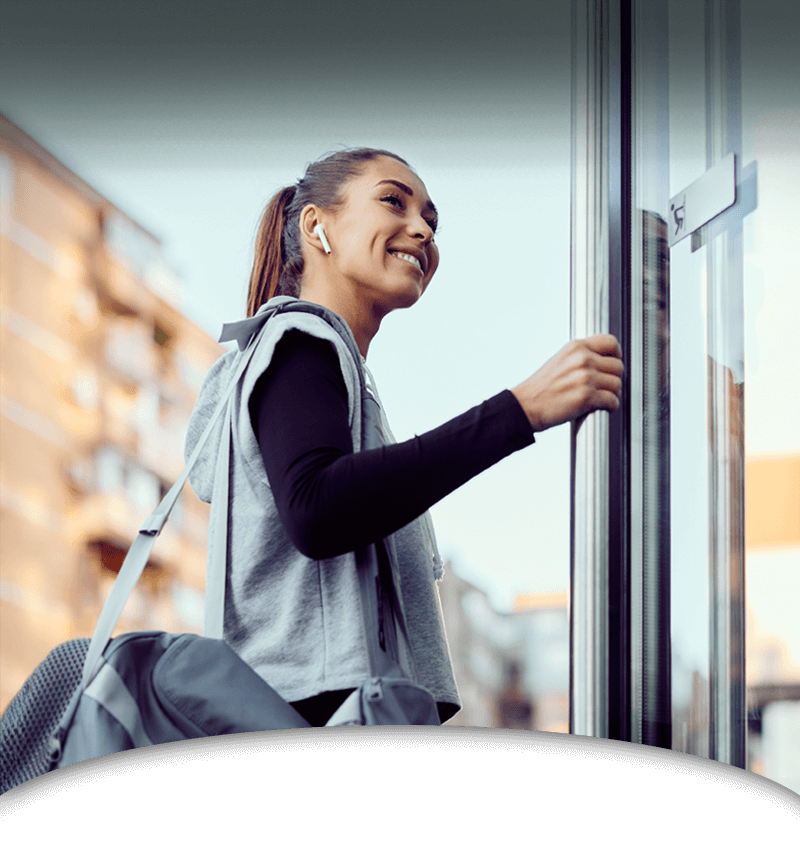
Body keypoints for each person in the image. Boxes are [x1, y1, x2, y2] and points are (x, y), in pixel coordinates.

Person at [185, 148, 624, 727]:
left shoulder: (332, 370)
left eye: (432, 221)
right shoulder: (299, 341)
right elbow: (317, 509)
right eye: (394, 201)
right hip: (314, 707)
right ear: (317, 226)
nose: (421, 229)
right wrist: (520, 410)